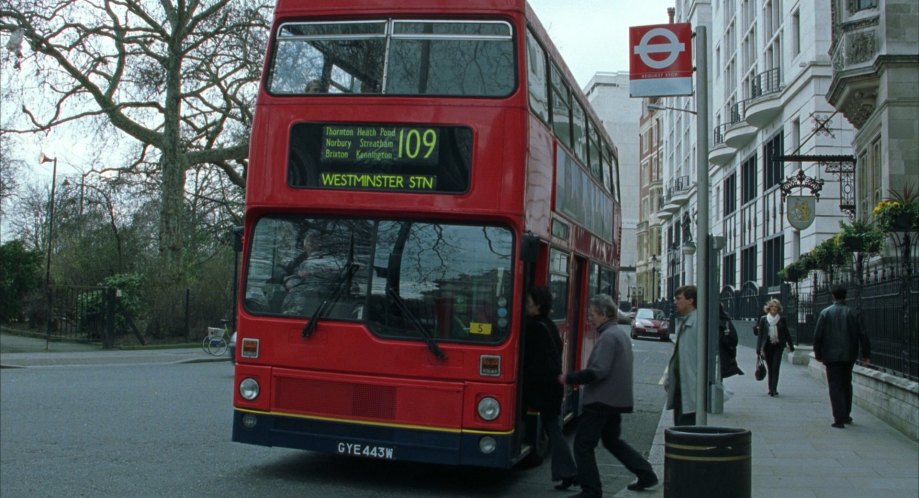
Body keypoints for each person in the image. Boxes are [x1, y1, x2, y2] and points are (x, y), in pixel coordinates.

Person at [559, 294, 658, 497]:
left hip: (601, 401)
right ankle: (646, 474)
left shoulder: (609, 337)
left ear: (604, 314)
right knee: (613, 441)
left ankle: (591, 490)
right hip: (615, 399)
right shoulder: (618, 333)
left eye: (593, 314)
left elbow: (598, 371)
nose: (591, 318)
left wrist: (569, 378)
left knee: (583, 445)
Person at [522, 287, 577, 491]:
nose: (525, 307)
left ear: (538, 306)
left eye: (528, 304)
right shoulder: (549, 325)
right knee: (553, 429)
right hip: (552, 386)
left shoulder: (533, 327)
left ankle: (569, 472)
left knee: (553, 430)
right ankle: (568, 473)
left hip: (543, 388)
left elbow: (532, 362)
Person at [813, 284, 871, 428]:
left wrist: (818, 353)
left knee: (835, 386)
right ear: (845, 296)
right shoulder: (853, 313)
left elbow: (817, 335)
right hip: (849, 354)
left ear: (833, 295)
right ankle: (846, 415)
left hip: (831, 355)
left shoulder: (825, 313)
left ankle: (838, 417)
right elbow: (863, 335)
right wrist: (866, 354)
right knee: (846, 383)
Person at [664, 285, 698, 426]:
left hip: (690, 387)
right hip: (681, 385)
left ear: (690, 300)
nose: (675, 302)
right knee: (679, 426)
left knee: (685, 430)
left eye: (679, 299)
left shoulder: (697, 323)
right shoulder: (685, 321)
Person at [754, 299, 795, 397]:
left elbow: (786, 333)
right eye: (772, 306)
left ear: (778, 309)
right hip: (767, 346)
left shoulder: (782, 320)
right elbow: (760, 335)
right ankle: (770, 388)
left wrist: (791, 345)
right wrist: (759, 349)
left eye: (776, 307)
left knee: (775, 367)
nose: (774, 309)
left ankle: (774, 388)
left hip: (778, 346)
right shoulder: (764, 319)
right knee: (770, 367)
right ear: (769, 308)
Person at [719, 304, 743, 379]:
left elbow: (733, 339)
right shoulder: (725, 320)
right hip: (722, 357)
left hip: (720, 355)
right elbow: (734, 340)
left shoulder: (724, 321)